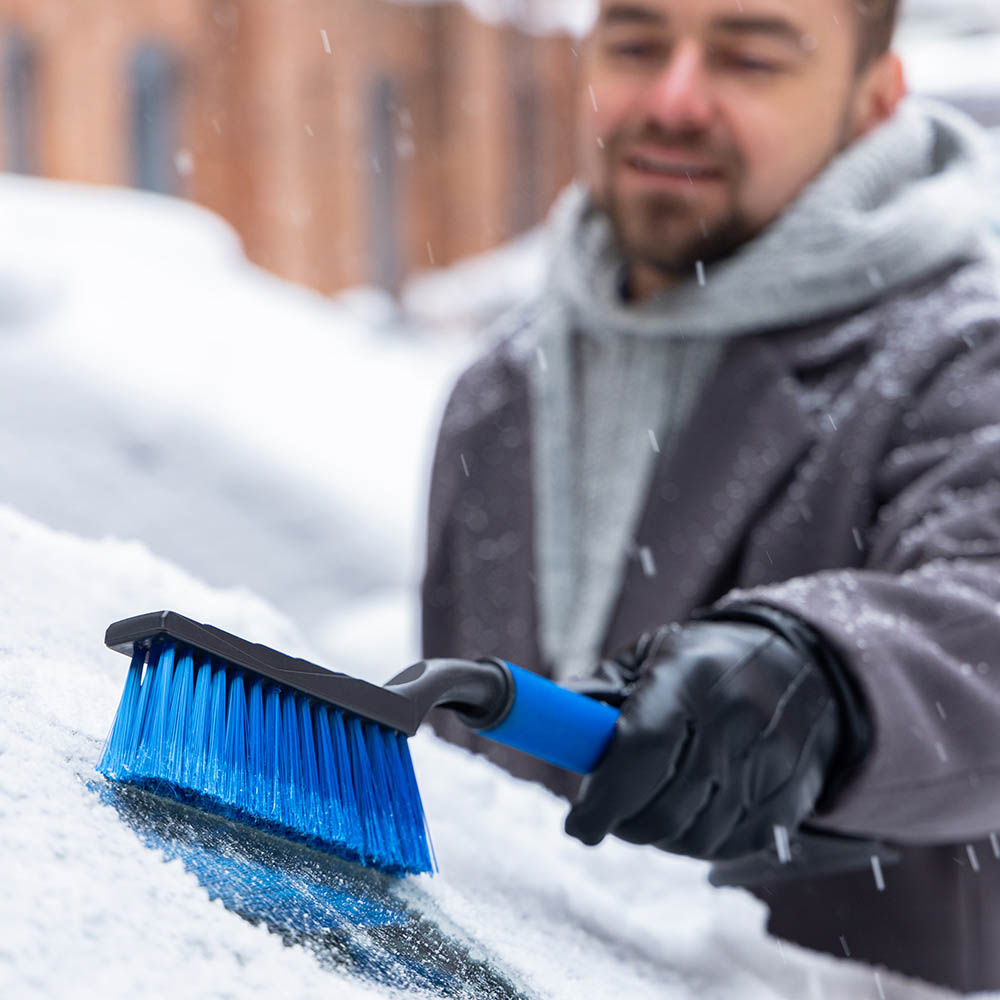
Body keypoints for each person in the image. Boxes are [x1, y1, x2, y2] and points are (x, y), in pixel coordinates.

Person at [420, 0, 1000, 990]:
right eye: (638, 46)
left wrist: (817, 676)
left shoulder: (958, 352)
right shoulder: (502, 388)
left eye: (749, 59)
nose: (674, 100)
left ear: (873, 99)